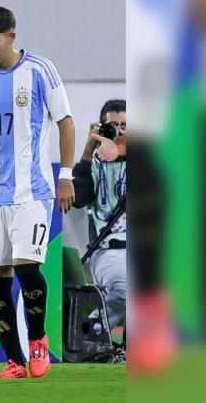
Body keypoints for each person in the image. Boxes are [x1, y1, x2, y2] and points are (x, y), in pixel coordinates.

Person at [0, 5, 76, 379]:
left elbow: (66, 123)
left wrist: (66, 174)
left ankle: (37, 339)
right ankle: (13, 361)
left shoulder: (40, 70)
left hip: (32, 191)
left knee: (26, 267)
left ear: (11, 37)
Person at [72, 99, 127, 360]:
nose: (119, 130)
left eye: (125, 125)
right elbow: (78, 199)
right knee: (126, 289)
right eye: (113, 126)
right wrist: (87, 151)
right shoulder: (94, 163)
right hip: (109, 248)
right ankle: (91, 331)